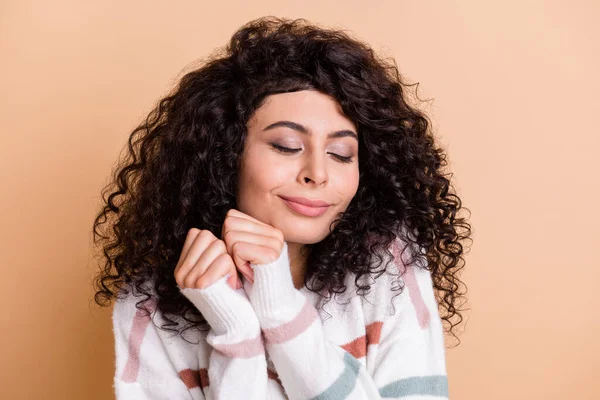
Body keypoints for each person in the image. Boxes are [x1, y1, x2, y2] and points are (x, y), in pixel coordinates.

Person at [92, 16, 471, 399]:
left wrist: (280, 311)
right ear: (225, 154)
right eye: (287, 146)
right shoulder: (148, 305)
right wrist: (236, 333)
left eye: (341, 154)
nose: (317, 173)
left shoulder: (390, 265)